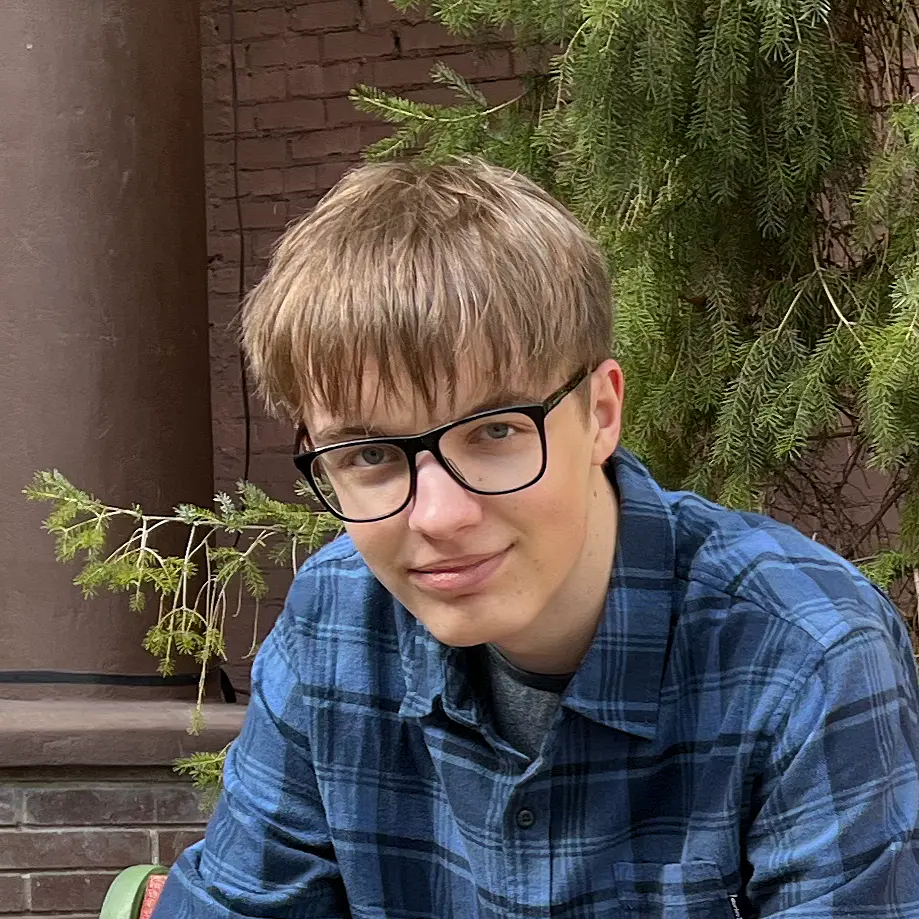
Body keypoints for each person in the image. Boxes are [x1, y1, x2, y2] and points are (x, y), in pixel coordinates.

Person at [154, 158, 919, 918]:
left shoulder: (805, 653)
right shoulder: (334, 620)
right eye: (372, 453)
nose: (437, 516)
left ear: (601, 413)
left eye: (495, 431)